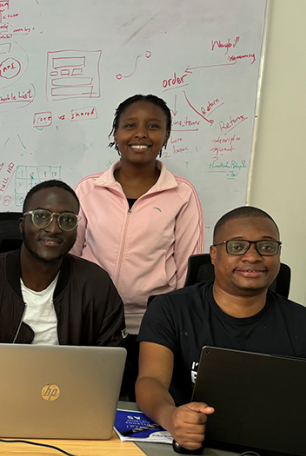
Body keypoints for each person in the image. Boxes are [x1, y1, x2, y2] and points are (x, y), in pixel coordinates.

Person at [135, 206, 306, 451]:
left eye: (267, 246)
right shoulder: (170, 309)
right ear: (214, 254)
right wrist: (171, 417)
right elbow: (150, 380)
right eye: (237, 246)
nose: (253, 257)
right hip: (188, 444)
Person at [70, 94, 204, 397]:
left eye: (153, 126)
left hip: (152, 328)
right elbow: (70, 257)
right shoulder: (89, 190)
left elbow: (188, 268)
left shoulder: (181, 195)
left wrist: (173, 323)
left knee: (142, 408)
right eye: (130, 125)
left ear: (166, 135)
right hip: (92, 323)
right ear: (115, 134)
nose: (141, 133)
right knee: (87, 401)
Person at [0, 180, 127, 393]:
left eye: (67, 219)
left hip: (68, 404)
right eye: (41, 216)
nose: (53, 229)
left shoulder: (96, 285)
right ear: (21, 224)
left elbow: (107, 366)